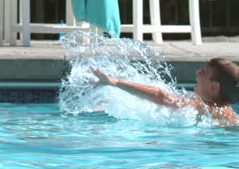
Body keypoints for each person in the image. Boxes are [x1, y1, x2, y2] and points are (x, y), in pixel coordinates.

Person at [90, 58, 239, 125]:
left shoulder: (206, 108)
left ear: (214, 87)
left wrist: (115, 82)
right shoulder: (225, 111)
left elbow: (161, 96)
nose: (198, 71)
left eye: (204, 72)